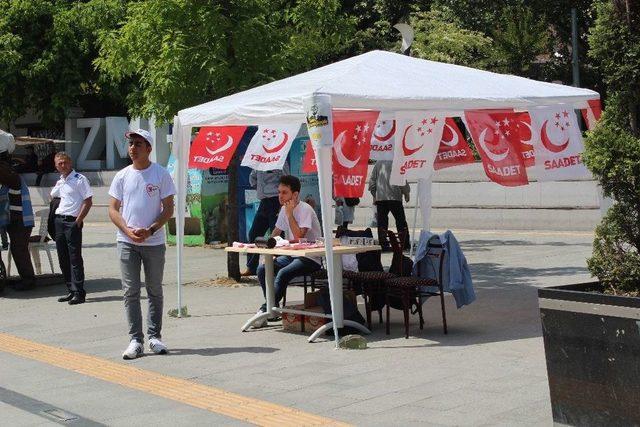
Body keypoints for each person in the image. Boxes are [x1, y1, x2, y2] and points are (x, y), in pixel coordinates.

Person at [108, 129, 175, 360]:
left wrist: (151, 230)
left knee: (154, 289)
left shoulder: (161, 174)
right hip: (127, 242)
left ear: (148, 148)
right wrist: (127, 230)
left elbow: (168, 209)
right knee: (131, 291)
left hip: (154, 242)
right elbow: (113, 209)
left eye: (138, 144)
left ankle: (154, 336)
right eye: (131, 144)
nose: (133, 148)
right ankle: (136, 340)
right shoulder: (122, 176)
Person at [255, 175, 322, 326]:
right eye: (279, 192)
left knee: (283, 273)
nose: (280, 196)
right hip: (292, 254)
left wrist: (290, 214)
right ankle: (272, 308)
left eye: (284, 192)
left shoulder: (305, 209)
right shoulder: (284, 208)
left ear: (295, 194)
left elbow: (299, 236)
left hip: (311, 257)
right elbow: (276, 232)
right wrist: (267, 249)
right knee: (262, 269)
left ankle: (266, 309)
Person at [50, 152, 93, 305]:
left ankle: (79, 292)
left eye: (65, 162)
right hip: (59, 220)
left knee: (74, 257)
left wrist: (79, 220)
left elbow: (88, 201)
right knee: (63, 257)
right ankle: (70, 290)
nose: (63, 165)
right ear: (56, 166)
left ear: (70, 162)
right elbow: (52, 195)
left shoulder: (79, 180)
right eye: (59, 163)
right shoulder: (61, 181)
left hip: (72, 221)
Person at [0, 129, 36, 290]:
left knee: (18, 249)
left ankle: (28, 281)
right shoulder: (9, 172)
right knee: (17, 248)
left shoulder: (10, 173)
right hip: (11, 218)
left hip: (19, 219)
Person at [241, 164, 289, 276]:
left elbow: (287, 180)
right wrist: (259, 189)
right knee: (254, 234)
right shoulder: (260, 160)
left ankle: (279, 267)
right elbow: (252, 177)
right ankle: (251, 267)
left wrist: (281, 197)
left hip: (276, 201)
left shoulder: (280, 159)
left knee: (277, 237)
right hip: (264, 202)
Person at [368, 160, 410, 250]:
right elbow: (402, 180)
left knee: (382, 223)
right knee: (400, 221)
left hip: (381, 198)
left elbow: (372, 182)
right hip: (395, 197)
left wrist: (375, 195)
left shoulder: (378, 164)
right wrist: (406, 193)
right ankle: (404, 244)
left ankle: (383, 244)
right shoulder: (397, 163)